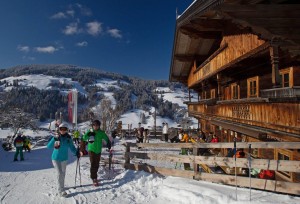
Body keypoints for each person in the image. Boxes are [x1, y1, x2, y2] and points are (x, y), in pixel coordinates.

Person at [47, 123, 79, 197]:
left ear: (67, 130)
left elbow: (72, 147)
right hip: (55, 158)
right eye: (61, 129)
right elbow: (48, 146)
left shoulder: (68, 138)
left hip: (64, 158)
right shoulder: (56, 137)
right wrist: (54, 139)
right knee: (59, 173)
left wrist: (76, 152)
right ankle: (61, 190)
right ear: (59, 129)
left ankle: (62, 186)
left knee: (63, 174)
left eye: (64, 129)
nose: (63, 131)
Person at [80, 119, 111, 187]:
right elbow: (84, 138)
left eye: (97, 125)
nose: (95, 126)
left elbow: (106, 138)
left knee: (96, 164)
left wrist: (108, 143)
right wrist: (89, 133)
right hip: (91, 150)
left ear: (99, 126)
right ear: (92, 126)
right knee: (93, 163)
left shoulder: (101, 132)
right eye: (94, 125)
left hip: (98, 151)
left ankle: (94, 176)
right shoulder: (90, 131)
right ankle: (94, 178)